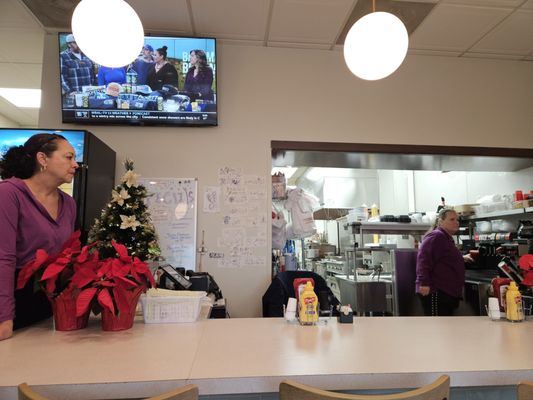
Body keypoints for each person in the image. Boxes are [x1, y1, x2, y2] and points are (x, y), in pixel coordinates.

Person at [0, 134, 79, 340]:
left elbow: (65, 257)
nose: (75, 164)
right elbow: (3, 258)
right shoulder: (9, 194)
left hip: (46, 302)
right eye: (69, 157)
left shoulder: (68, 203)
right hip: (12, 299)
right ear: (42, 159)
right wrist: (4, 317)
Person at [416, 208, 473, 316]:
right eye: (452, 219)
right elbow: (423, 259)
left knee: (445, 329)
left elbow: (444, 257)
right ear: (440, 222)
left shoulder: (446, 238)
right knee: (437, 328)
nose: (456, 222)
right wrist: (423, 282)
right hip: (436, 291)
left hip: (446, 293)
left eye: (457, 219)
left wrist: (461, 257)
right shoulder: (437, 236)